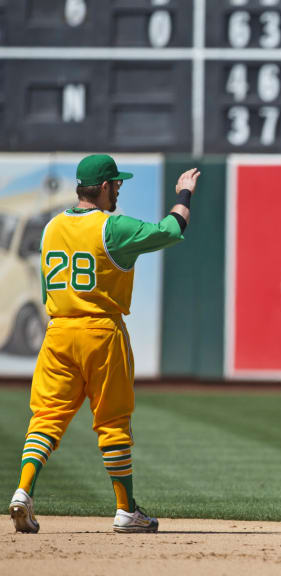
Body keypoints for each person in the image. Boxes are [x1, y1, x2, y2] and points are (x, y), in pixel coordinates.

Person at [8, 154, 200, 534]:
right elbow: (172, 229)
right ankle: (126, 510)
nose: (120, 189)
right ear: (105, 187)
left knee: (46, 419)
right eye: (117, 183)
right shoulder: (112, 227)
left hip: (58, 332)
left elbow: (46, 286)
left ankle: (22, 492)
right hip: (100, 333)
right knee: (112, 422)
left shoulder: (50, 228)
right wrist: (184, 194)